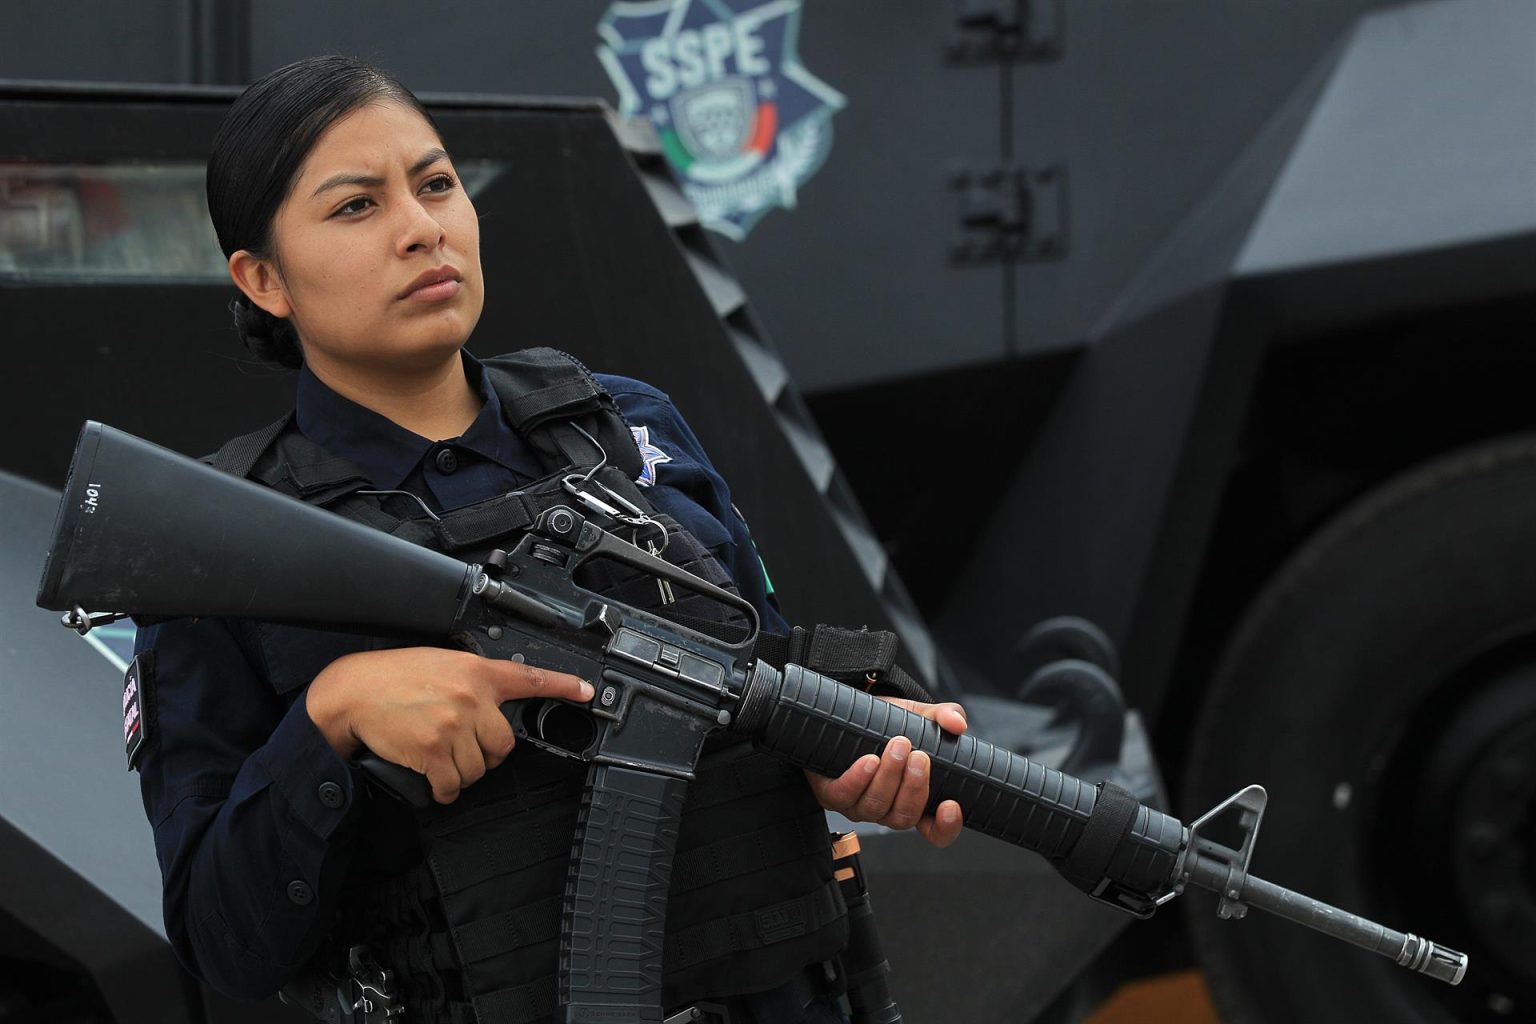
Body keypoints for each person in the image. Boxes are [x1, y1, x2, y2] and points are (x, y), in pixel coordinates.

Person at [133, 55, 968, 1024]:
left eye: (437, 183)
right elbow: (223, 944)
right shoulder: (222, 545)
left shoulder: (630, 428)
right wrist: (329, 720)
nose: (422, 228)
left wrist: (840, 757)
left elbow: (756, 680)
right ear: (263, 277)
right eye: (357, 206)